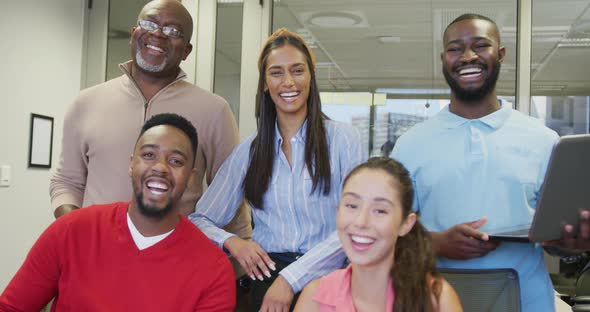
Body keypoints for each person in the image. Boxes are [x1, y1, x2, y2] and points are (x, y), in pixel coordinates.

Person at [48, 0, 251, 268]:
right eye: (150, 23)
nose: (158, 34)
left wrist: (241, 268)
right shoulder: (85, 103)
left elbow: (231, 195)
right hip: (95, 259)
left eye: (173, 31)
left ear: (187, 50)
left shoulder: (214, 110)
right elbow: (66, 182)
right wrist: (77, 236)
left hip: (176, 263)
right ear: (134, 32)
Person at [391, 14, 559, 311]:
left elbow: (559, 238)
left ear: (501, 54)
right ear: (443, 59)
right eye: (456, 48)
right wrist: (435, 243)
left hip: (526, 301)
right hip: (434, 299)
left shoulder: (544, 141)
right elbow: (386, 231)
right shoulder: (410, 144)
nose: (468, 56)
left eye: (481, 45)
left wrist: (572, 241)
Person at [190, 28, 365, 311]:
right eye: (276, 73)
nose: (288, 82)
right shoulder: (250, 152)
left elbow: (356, 224)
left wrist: (290, 280)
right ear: (264, 83)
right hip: (266, 282)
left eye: (297, 71)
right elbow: (198, 220)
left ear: (311, 77)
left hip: (329, 278)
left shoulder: (345, 140)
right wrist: (234, 242)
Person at [0, 113, 235, 311]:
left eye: (175, 161)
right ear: (132, 164)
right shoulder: (71, 230)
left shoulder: (213, 269)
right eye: (149, 155)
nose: (160, 168)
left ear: (191, 178)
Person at [294, 157, 462, 312]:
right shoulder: (314, 298)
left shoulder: (436, 298)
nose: (361, 222)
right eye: (352, 205)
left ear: (406, 224)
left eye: (380, 210)